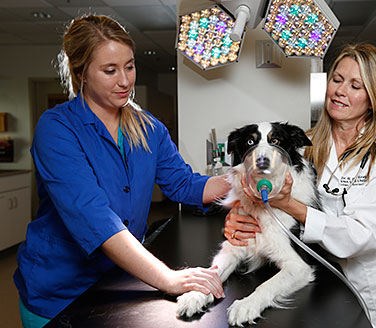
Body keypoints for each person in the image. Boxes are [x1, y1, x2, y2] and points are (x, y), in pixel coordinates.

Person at [14, 14, 229, 327]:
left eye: (129, 66)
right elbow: (95, 219)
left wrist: (242, 180)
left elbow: (184, 185)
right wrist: (169, 279)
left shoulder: (147, 128)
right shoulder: (57, 129)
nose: (125, 80)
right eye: (110, 70)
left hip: (119, 281)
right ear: (81, 73)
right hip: (58, 294)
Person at [224, 43, 376, 327]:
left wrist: (291, 206)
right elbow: (259, 184)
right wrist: (239, 214)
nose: (340, 91)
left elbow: (365, 235)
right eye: (337, 79)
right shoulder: (305, 147)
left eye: (356, 86)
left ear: (375, 98)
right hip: (336, 284)